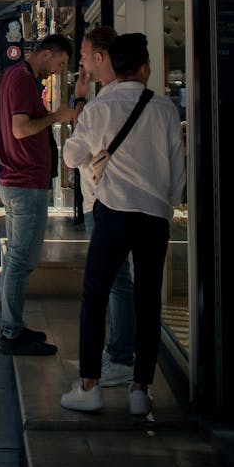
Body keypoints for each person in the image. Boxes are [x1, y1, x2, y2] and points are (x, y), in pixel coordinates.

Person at [60, 33, 186, 416]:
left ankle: (89, 387)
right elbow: (177, 173)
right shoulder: (165, 109)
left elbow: (70, 156)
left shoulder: (100, 107)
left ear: (113, 64)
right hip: (154, 217)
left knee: (95, 295)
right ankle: (140, 391)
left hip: (113, 211)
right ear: (145, 67)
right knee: (148, 302)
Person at [0, 34, 74, 355]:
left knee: (17, 258)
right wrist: (56, 117)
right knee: (20, 260)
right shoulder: (23, 79)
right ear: (45, 54)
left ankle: (13, 327)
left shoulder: (15, 77)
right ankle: (12, 332)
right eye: (59, 63)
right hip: (25, 183)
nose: (58, 70)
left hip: (21, 181)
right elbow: (19, 129)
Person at [69, 26, 136, 388]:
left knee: (112, 284)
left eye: (83, 54)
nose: (80, 61)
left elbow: (72, 154)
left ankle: (119, 357)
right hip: (136, 205)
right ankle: (130, 364)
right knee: (123, 282)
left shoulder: (102, 104)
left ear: (99, 57)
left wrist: (80, 102)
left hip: (105, 203)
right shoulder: (147, 102)